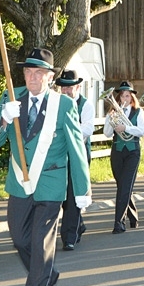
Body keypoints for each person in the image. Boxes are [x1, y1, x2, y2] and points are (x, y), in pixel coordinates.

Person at [0, 48, 91, 286]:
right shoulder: (10, 97)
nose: (32, 77)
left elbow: (76, 149)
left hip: (50, 185)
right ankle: (47, 273)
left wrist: (82, 189)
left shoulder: (63, 105)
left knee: (39, 242)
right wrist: (3, 119)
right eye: (28, 72)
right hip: (19, 183)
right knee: (20, 239)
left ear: (49, 77)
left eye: (38, 73)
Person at [55, 69, 94, 251]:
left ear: (77, 87)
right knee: (62, 195)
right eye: (63, 87)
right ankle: (79, 224)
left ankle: (69, 237)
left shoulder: (86, 105)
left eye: (69, 87)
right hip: (59, 154)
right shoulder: (56, 103)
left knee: (72, 194)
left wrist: (68, 128)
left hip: (78, 154)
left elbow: (87, 129)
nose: (65, 91)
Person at [103, 80, 144, 234]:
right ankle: (133, 217)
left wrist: (125, 127)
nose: (124, 99)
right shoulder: (113, 112)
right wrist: (110, 120)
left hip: (132, 152)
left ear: (132, 97)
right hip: (117, 151)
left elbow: (142, 131)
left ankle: (119, 223)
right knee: (123, 186)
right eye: (122, 96)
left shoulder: (138, 112)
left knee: (125, 187)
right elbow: (107, 134)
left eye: (127, 96)